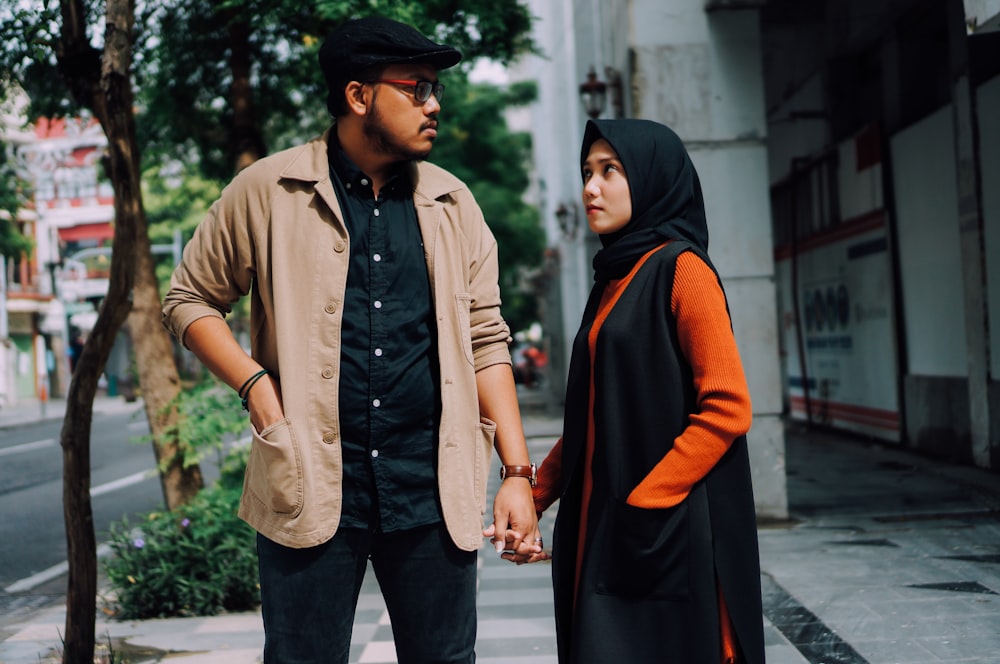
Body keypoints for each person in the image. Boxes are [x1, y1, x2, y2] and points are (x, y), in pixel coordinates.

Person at [162, 16, 541, 663]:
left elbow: (485, 339)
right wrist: (257, 388)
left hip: (429, 489)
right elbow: (189, 297)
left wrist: (516, 473)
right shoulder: (268, 192)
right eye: (416, 88)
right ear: (359, 96)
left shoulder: (455, 204)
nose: (434, 105)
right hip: (307, 481)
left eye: (435, 89)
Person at [513, 119, 765, 663]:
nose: (590, 188)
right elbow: (592, 417)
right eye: (586, 172)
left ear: (651, 179)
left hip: (660, 526)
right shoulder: (612, 278)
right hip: (608, 525)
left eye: (610, 171)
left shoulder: (682, 269)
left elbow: (727, 406)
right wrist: (534, 496)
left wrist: (647, 500)